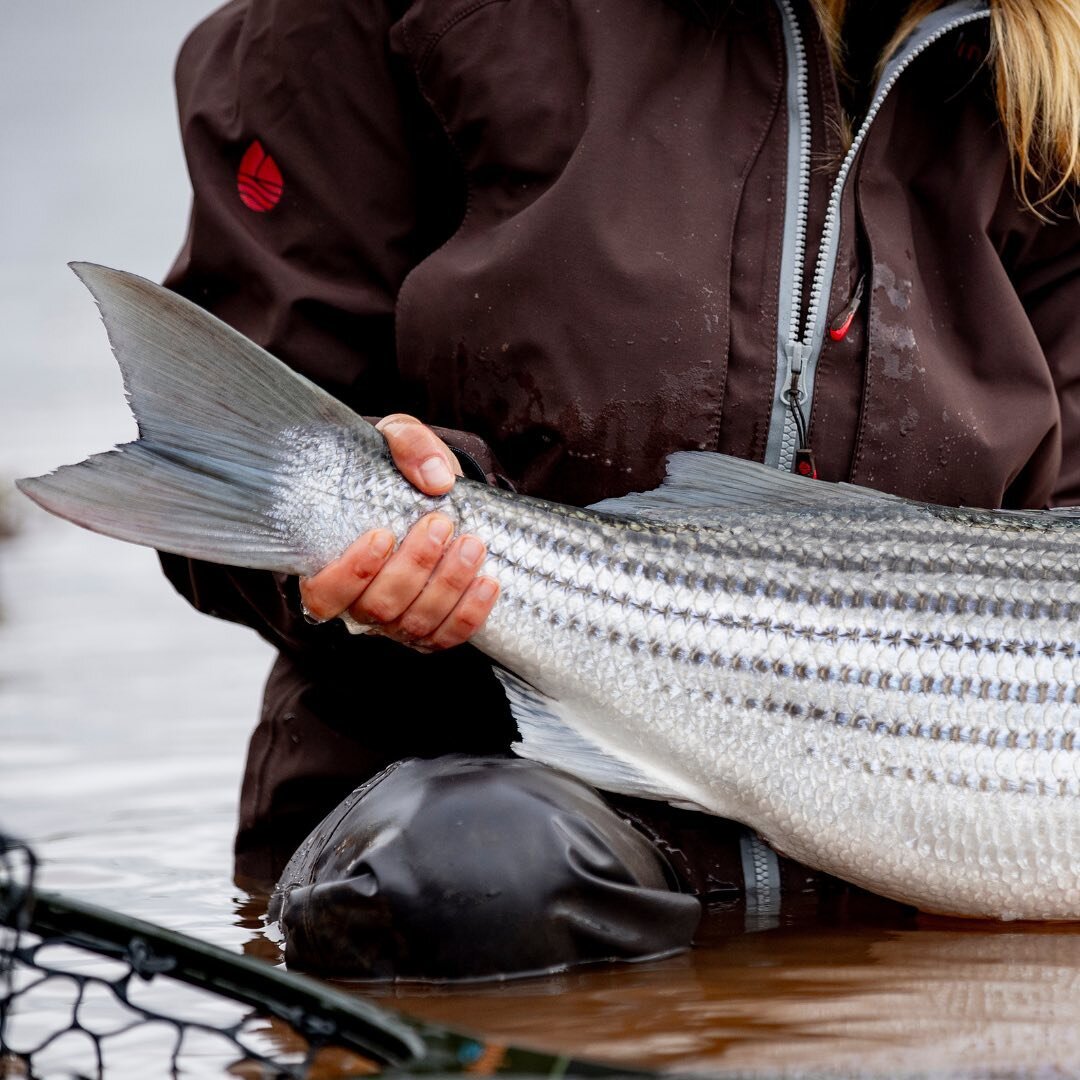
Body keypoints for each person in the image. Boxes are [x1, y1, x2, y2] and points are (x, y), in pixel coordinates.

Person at [161, 0, 1080, 974]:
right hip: (501, 826)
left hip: (910, 914)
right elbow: (235, 446)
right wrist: (394, 518)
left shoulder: (1051, 66)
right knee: (476, 875)